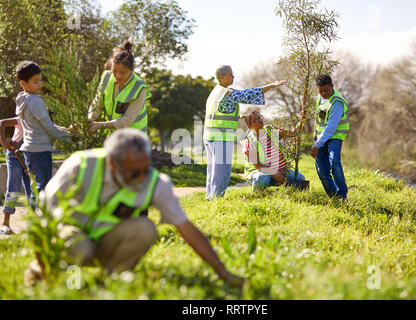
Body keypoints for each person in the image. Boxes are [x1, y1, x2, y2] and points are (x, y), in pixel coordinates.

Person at [24, 128, 244, 287]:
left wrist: (223, 272)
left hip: (106, 241)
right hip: (72, 237)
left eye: (145, 169)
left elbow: (186, 228)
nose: (141, 178)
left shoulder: (156, 182)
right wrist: (45, 264)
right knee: (77, 247)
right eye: (133, 172)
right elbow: (42, 217)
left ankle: (108, 285)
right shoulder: (80, 165)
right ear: (112, 163)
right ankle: (58, 280)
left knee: (145, 229)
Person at [203, 65, 287, 200]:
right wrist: (271, 85)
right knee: (222, 172)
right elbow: (248, 94)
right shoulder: (228, 93)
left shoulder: (216, 92)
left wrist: (238, 116)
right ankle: (217, 199)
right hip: (221, 138)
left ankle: (210, 197)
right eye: (231, 74)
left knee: (213, 170)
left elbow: (221, 110)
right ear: (222, 77)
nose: (233, 76)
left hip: (210, 137)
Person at [15, 61, 72, 207]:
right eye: (35, 82)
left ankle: (34, 220)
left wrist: (66, 130)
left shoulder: (22, 99)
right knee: (44, 189)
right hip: (40, 150)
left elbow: (44, 125)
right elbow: (49, 128)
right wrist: (70, 136)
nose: (40, 84)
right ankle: (41, 222)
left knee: (36, 188)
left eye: (40, 80)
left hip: (28, 150)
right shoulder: (36, 101)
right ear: (23, 83)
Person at [88, 40, 151, 134]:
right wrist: (90, 120)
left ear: (131, 70)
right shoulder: (106, 77)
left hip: (135, 138)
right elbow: (97, 103)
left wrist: (101, 125)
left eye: (122, 73)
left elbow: (127, 120)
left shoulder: (139, 88)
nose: (117, 76)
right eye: (114, 71)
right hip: (114, 135)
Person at [240, 111, 306, 192]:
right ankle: (258, 196)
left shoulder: (271, 130)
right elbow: (258, 165)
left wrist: (302, 120)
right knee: (262, 179)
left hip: (281, 170)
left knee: (300, 178)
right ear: (249, 125)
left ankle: (283, 193)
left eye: (260, 117)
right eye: (255, 120)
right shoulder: (251, 140)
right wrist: (274, 173)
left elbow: (292, 133)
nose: (260, 120)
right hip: (259, 172)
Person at [310, 75, 350, 201]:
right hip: (320, 137)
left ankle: (342, 195)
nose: (323, 93)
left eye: (326, 90)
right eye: (320, 91)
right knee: (322, 171)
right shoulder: (318, 99)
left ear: (332, 86)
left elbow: (331, 128)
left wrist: (317, 144)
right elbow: (319, 119)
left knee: (334, 163)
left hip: (334, 136)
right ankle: (334, 198)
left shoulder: (337, 102)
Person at [0, 117, 31, 235]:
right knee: (14, 188)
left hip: (31, 155)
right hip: (15, 154)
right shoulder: (22, 118)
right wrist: (3, 140)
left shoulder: (40, 119)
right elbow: (2, 122)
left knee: (32, 189)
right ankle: (5, 223)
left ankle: (34, 223)